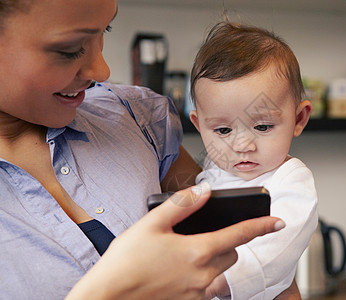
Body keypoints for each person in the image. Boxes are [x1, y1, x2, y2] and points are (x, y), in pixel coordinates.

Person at [0, 1, 287, 299]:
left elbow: (255, 256)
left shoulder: (137, 118)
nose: (102, 70)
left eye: (104, 30)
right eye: (69, 49)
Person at [189, 22, 319, 299]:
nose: (242, 146)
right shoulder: (211, 173)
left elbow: (279, 247)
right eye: (223, 130)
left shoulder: (291, 179)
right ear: (199, 126)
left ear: (299, 119)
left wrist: (215, 284)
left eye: (262, 127)